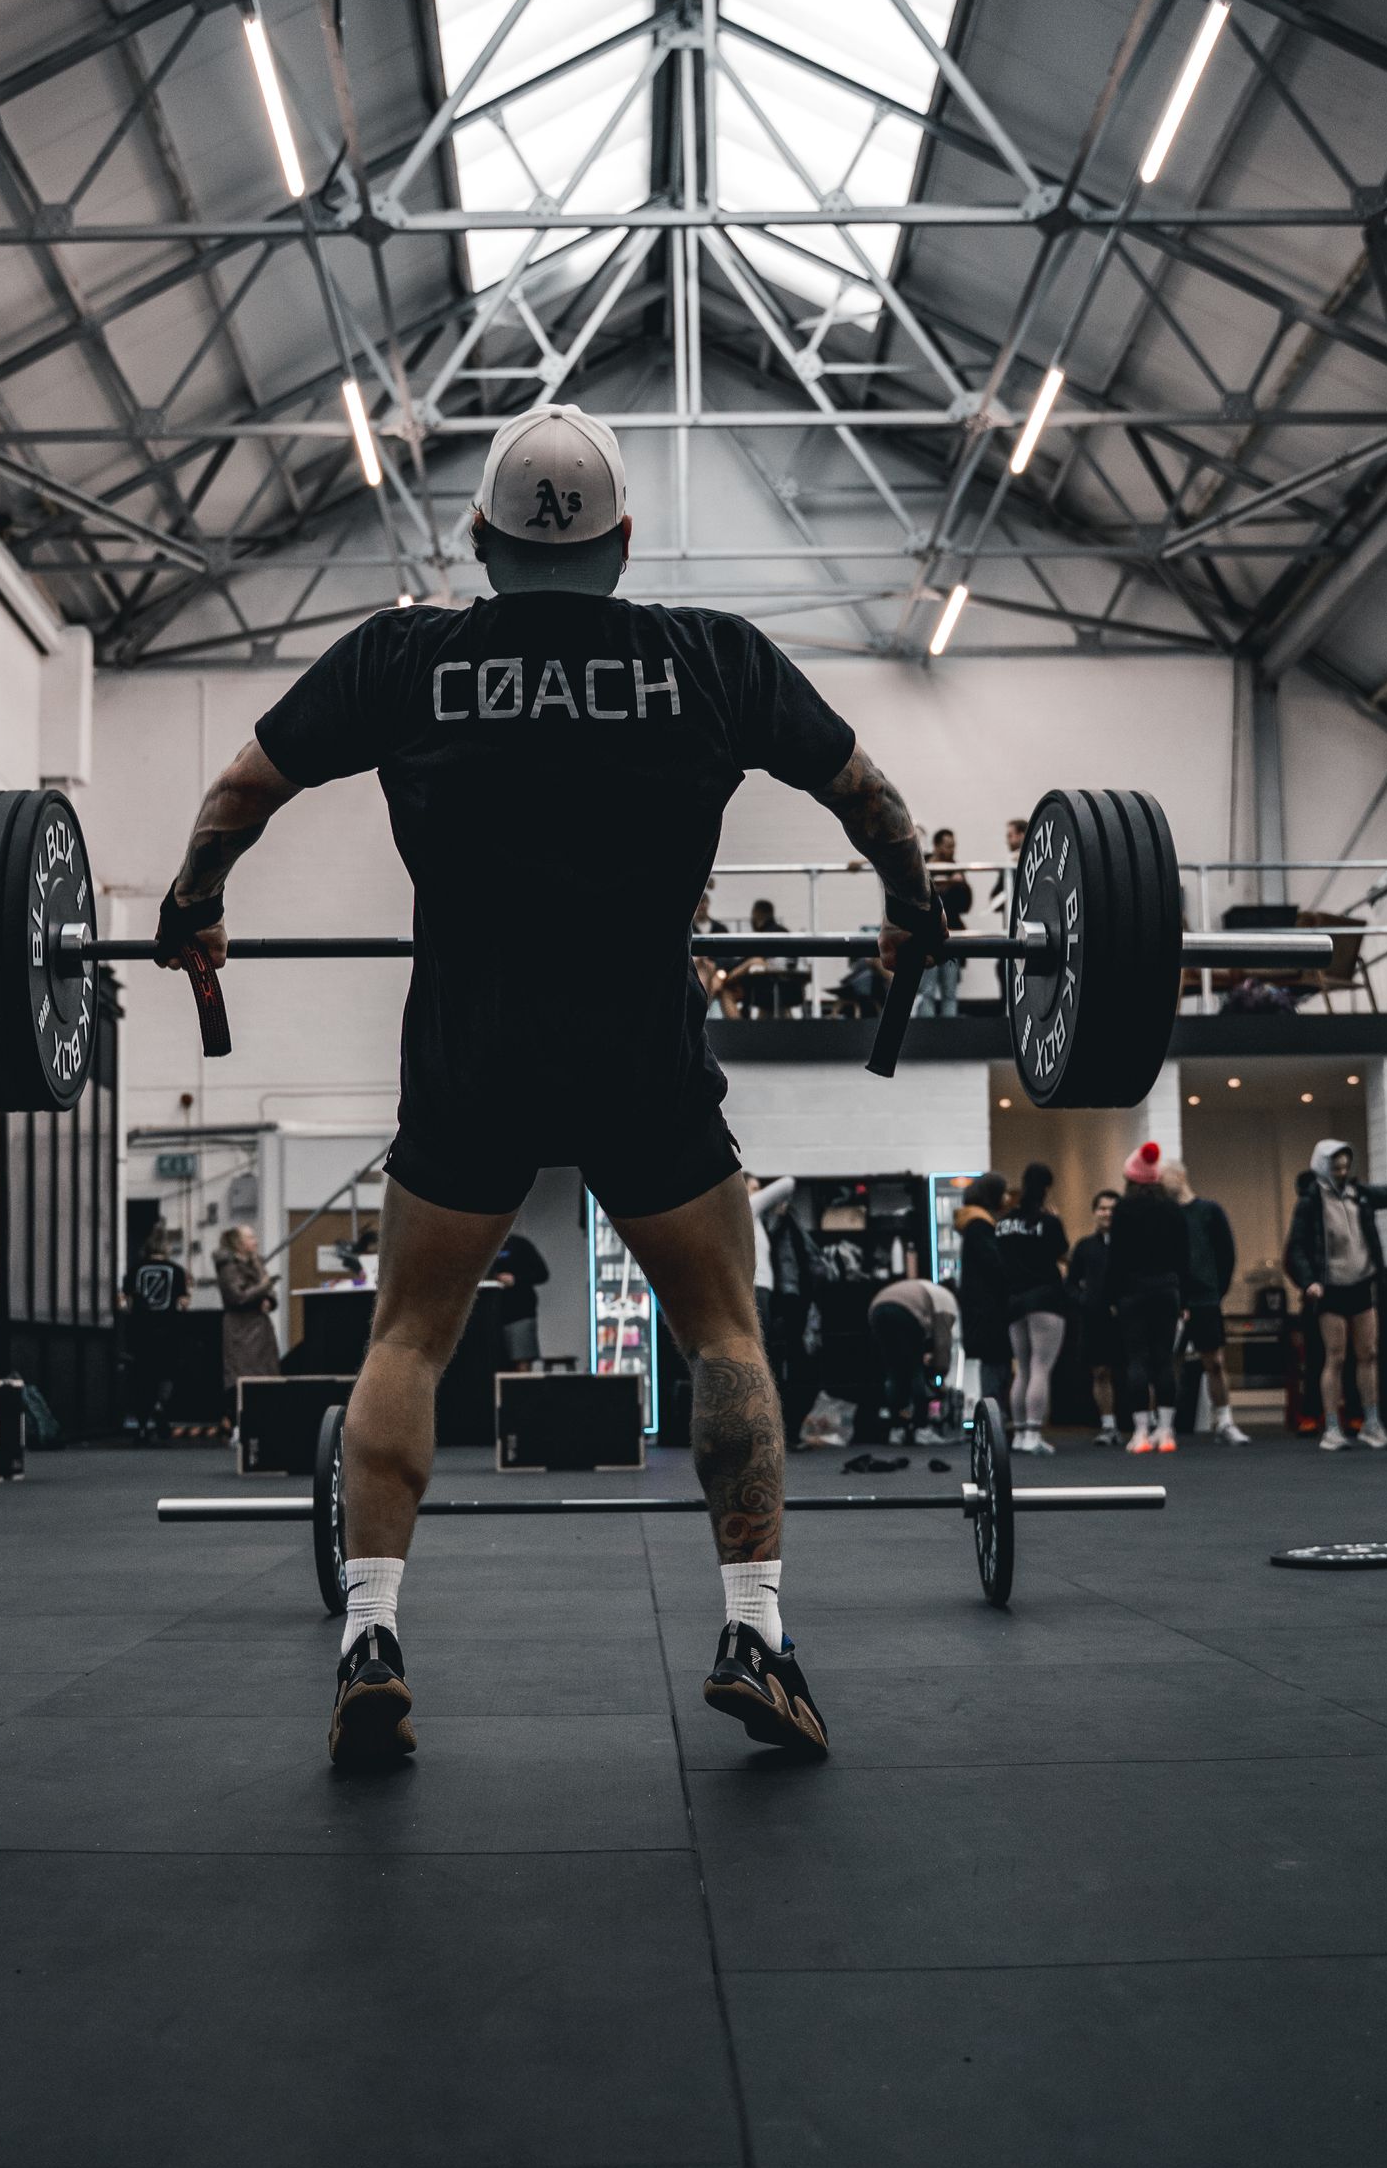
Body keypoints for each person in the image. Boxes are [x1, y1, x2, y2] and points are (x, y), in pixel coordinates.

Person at [156, 401, 942, 1768]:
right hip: (643, 1048)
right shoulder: (711, 658)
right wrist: (910, 910)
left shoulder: (407, 655)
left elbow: (238, 794)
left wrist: (195, 903)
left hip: (472, 1047)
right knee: (724, 1334)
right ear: (625, 541)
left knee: (407, 1341)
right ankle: (755, 1630)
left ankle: (370, 1640)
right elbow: (871, 800)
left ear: (480, 536)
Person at [1282, 1137, 1387, 1452]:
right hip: (1330, 1288)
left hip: (1362, 1284)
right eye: (1336, 1166)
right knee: (1335, 1356)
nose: (1342, 1171)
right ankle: (1332, 1427)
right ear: (1322, 1166)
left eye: (1346, 1165)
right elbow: (1297, 1248)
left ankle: (1372, 1423)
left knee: (1368, 1354)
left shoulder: (1360, 1195)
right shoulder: (1310, 1201)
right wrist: (1309, 1282)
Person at [1105, 1139, 1188, 1454]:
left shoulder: (1124, 1210)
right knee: (1164, 1359)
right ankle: (1166, 1430)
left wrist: (1112, 1296)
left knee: (1136, 1359)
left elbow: (1116, 1257)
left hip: (1132, 1292)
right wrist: (1184, 1298)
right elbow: (1183, 1257)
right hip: (1167, 1290)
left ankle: (1140, 1431)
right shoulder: (1172, 1208)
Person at [1161, 1159, 1247, 1445]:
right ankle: (1164, 1424)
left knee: (1215, 1362)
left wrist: (1216, 1292)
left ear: (1179, 1175)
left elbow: (1226, 1254)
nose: (1160, 1183)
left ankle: (1224, 1421)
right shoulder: (1166, 1215)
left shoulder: (1209, 1211)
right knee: (1168, 1363)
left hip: (1205, 1298)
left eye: (1164, 1177)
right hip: (1174, 1298)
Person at [992, 1159, 1068, 1455]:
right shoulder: (1047, 1221)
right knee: (1040, 1367)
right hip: (1045, 1297)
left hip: (1015, 1299)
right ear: (1046, 1188)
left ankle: (1020, 1433)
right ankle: (1034, 1433)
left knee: (1022, 1368)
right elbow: (1062, 1252)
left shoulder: (1003, 1224)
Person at [120, 1220, 189, 1442]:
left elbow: (125, 1301)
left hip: (141, 1331)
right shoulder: (177, 1271)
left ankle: (142, 1424)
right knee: (166, 1373)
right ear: (167, 1247)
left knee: (142, 1376)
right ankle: (160, 1405)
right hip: (169, 1331)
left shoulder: (135, 1270)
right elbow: (183, 1303)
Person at [867, 1274, 957, 1443]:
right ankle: (920, 1427)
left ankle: (896, 1428)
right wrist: (940, 1374)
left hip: (877, 1308)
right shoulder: (946, 1300)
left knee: (894, 1372)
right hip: (905, 1312)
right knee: (916, 1370)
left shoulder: (928, 1288)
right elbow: (942, 1343)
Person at [951, 1171, 1013, 1409]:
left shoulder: (972, 1224)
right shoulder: (981, 1226)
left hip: (979, 1309)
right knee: (996, 1367)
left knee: (992, 1366)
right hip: (990, 1310)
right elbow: (996, 1265)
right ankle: (994, 1417)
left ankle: (993, 1416)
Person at [1067, 1186, 1122, 1445]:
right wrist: (1085, 1301)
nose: (1107, 1213)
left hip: (1128, 1317)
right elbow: (1070, 1283)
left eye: (1112, 1209)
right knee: (1100, 1371)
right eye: (1102, 1208)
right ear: (1094, 1212)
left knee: (1138, 1370)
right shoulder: (1085, 1247)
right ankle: (1108, 1425)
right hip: (1095, 1319)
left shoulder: (1131, 1245)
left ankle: (1146, 1422)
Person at [214, 1223, 281, 1392]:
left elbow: (268, 1290)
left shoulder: (256, 1262)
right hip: (241, 1330)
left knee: (266, 1379)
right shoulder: (228, 1267)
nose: (255, 1241)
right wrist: (264, 1287)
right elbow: (237, 1297)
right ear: (238, 1242)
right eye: (250, 1237)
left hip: (261, 1329)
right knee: (244, 1379)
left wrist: (269, 1299)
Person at [916, 826, 972, 1018]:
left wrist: (960, 885)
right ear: (937, 846)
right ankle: (926, 1029)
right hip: (926, 937)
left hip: (951, 936)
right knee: (927, 990)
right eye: (948, 846)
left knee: (950, 991)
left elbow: (965, 905)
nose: (952, 850)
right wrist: (948, 885)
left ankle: (951, 1029)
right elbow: (920, 898)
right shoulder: (923, 866)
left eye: (954, 846)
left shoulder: (955, 868)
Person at [746, 1173, 796, 1368]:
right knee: (760, 1348)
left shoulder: (757, 1220)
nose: (759, 1193)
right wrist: (772, 1200)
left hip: (762, 1290)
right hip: (756, 1289)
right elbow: (788, 1183)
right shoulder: (748, 1206)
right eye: (754, 1188)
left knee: (763, 1346)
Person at [491, 1226, 550, 1372]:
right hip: (493, 1316)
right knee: (496, 1363)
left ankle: (523, 1387)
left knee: (521, 1360)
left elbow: (542, 1274)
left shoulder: (519, 1244)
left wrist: (515, 1279)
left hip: (520, 1313)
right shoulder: (485, 1249)